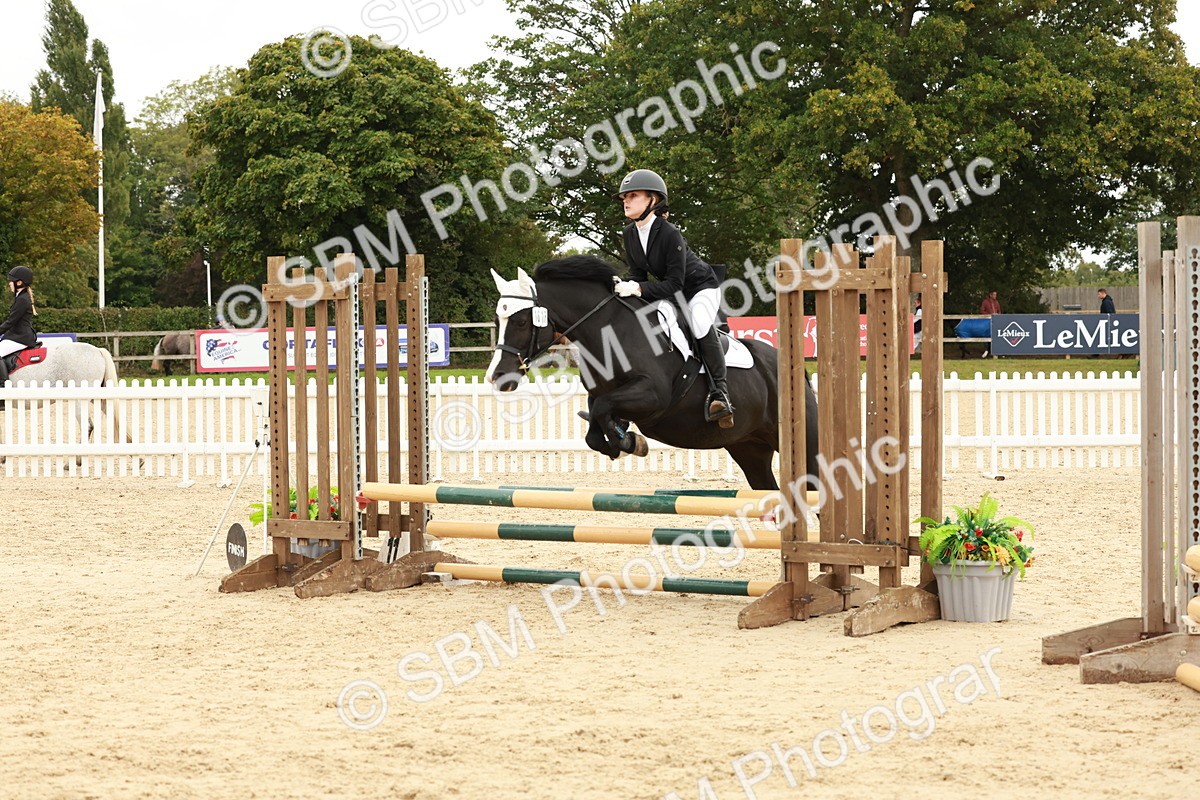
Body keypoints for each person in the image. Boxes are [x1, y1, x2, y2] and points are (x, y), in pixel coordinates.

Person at [613, 169, 733, 425]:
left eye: (633, 195)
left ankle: (720, 392)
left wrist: (638, 289)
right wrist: (627, 288)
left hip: (700, 287)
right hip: (671, 290)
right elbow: (638, 275)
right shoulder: (629, 234)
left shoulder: (669, 233)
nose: (626, 200)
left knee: (699, 322)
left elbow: (676, 284)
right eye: (624, 196)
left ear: (653, 200)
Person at [0, 266, 38, 397]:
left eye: (11, 281)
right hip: (16, 336)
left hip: (20, 337)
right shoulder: (20, 296)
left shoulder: (22, 299)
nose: (9, 283)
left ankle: (3, 388)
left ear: (19, 282)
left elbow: (11, 322)